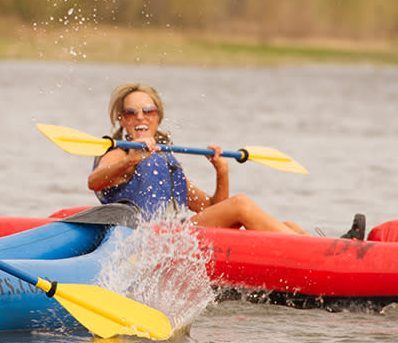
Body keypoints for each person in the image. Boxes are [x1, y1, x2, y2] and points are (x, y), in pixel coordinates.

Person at [87, 82, 307, 234]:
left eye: (148, 110)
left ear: (158, 116)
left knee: (290, 226)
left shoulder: (163, 159)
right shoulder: (119, 153)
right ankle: (316, 254)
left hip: (181, 234)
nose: (140, 117)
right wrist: (130, 160)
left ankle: (329, 252)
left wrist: (222, 172)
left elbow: (211, 208)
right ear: (122, 120)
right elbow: (94, 181)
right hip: (154, 237)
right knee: (241, 204)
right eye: (131, 113)